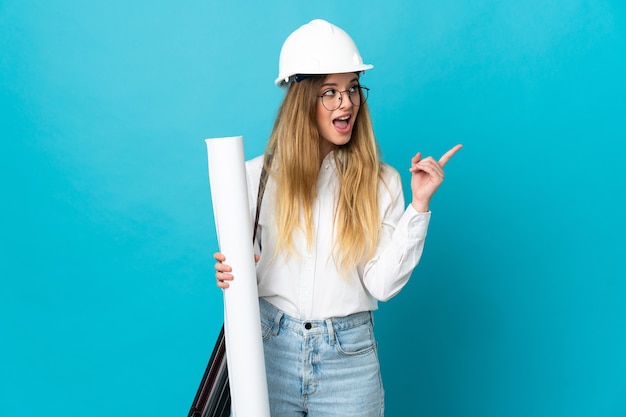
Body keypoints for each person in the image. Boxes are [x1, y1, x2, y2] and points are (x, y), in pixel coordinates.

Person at [213, 19, 461, 417]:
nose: (345, 103)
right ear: (301, 100)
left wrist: (418, 206)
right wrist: (232, 273)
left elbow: (380, 284)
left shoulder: (382, 181)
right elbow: (248, 272)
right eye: (329, 92)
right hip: (268, 349)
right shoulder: (254, 177)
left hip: (349, 357)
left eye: (351, 89)